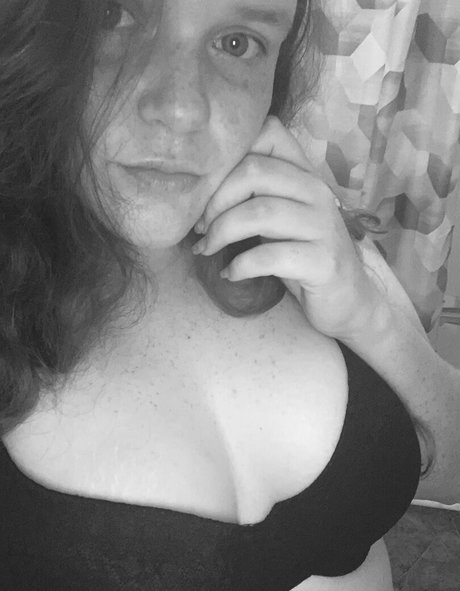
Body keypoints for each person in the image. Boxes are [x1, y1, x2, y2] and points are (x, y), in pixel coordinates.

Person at [0, 0, 457, 589]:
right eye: (113, 17)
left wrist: (370, 318)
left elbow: (451, 474)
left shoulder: (308, 234)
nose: (182, 109)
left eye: (237, 42)